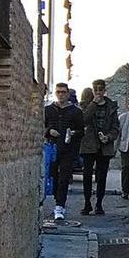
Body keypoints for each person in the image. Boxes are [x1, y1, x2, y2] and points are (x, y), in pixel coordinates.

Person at [44, 82, 85, 221]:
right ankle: (57, 199)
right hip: (53, 148)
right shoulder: (49, 110)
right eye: (58, 92)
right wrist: (49, 131)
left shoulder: (76, 111)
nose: (61, 94)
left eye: (63, 92)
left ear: (68, 94)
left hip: (68, 149)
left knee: (64, 178)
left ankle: (60, 206)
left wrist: (73, 133)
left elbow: (81, 131)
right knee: (54, 176)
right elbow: (41, 127)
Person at [80, 79, 119, 215]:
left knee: (102, 176)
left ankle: (99, 204)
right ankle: (87, 203)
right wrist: (94, 104)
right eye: (96, 90)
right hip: (89, 145)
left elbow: (116, 128)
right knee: (87, 175)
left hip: (105, 146)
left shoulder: (111, 106)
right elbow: (83, 120)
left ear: (104, 90)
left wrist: (108, 137)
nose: (98, 92)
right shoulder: (87, 104)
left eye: (100, 90)